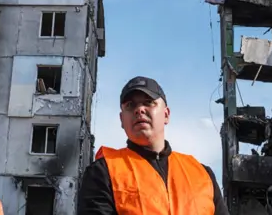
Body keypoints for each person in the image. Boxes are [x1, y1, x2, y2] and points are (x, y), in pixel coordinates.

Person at [77, 76, 230, 215]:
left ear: (166, 114)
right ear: (122, 120)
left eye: (149, 102)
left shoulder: (203, 174)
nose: (139, 110)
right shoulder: (103, 171)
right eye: (130, 105)